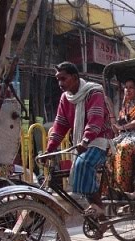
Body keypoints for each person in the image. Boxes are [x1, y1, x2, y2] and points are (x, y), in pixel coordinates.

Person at [45, 61, 114, 216]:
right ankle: (96, 212)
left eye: (63, 79)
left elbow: (95, 119)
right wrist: (49, 149)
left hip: (100, 140)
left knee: (82, 164)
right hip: (81, 142)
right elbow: (60, 125)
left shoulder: (93, 91)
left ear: (75, 77)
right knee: (74, 166)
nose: (60, 83)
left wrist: (86, 140)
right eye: (58, 79)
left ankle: (99, 207)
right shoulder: (65, 98)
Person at [107, 78, 135, 193]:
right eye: (126, 87)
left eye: (131, 87)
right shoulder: (125, 106)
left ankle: (123, 190)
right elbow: (117, 128)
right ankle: (110, 190)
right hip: (124, 135)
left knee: (124, 148)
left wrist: (122, 128)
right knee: (109, 148)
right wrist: (111, 111)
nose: (128, 90)